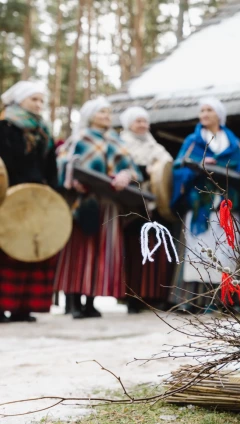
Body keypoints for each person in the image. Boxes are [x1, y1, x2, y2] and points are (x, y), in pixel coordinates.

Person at [54, 97, 141, 319]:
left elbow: (133, 169)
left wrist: (126, 175)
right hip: (83, 202)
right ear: (90, 115)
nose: (106, 116)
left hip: (109, 204)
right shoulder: (79, 138)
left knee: (102, 251)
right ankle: (73, 301)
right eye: (102, 112)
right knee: (79, 251)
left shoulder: (117, 141)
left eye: (108, 112)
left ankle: (91, 300)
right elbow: (63, 162)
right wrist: (73, 176)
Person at [169, 97, 240, 313]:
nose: (204, 114)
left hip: (225, 203)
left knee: (226, 250)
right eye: (202, 110)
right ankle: (195, 300)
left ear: (218, 115)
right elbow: (179, 166)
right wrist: (199, 165)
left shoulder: (231, 142)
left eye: (209, 110)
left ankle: (225, 300)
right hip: (201, 205)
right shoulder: (193, 141)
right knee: (199, 251)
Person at [0, 81, 58, 322]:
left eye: (41, 100)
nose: (39, 104)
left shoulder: (44, 130)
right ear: (19, 100)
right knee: (8, 249)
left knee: (32, 248)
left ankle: (22, 306)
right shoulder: (6, 126)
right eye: (34, 99)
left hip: (38, 198)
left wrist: (51, 193)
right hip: (10, 196)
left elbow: (51, 167)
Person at [120, 106, 174, 312]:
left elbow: (167, 165)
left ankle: (154, 295)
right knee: (135, 251)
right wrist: (144, 170)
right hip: (132, 204)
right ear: (129, 124)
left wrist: (159, 169)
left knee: (154, 249)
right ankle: (133, 298)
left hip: (154, 205)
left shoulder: (154, 145)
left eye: (145, 121)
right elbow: (122, 166)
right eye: (138, 121)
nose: (142, 125)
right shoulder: (122, 143)